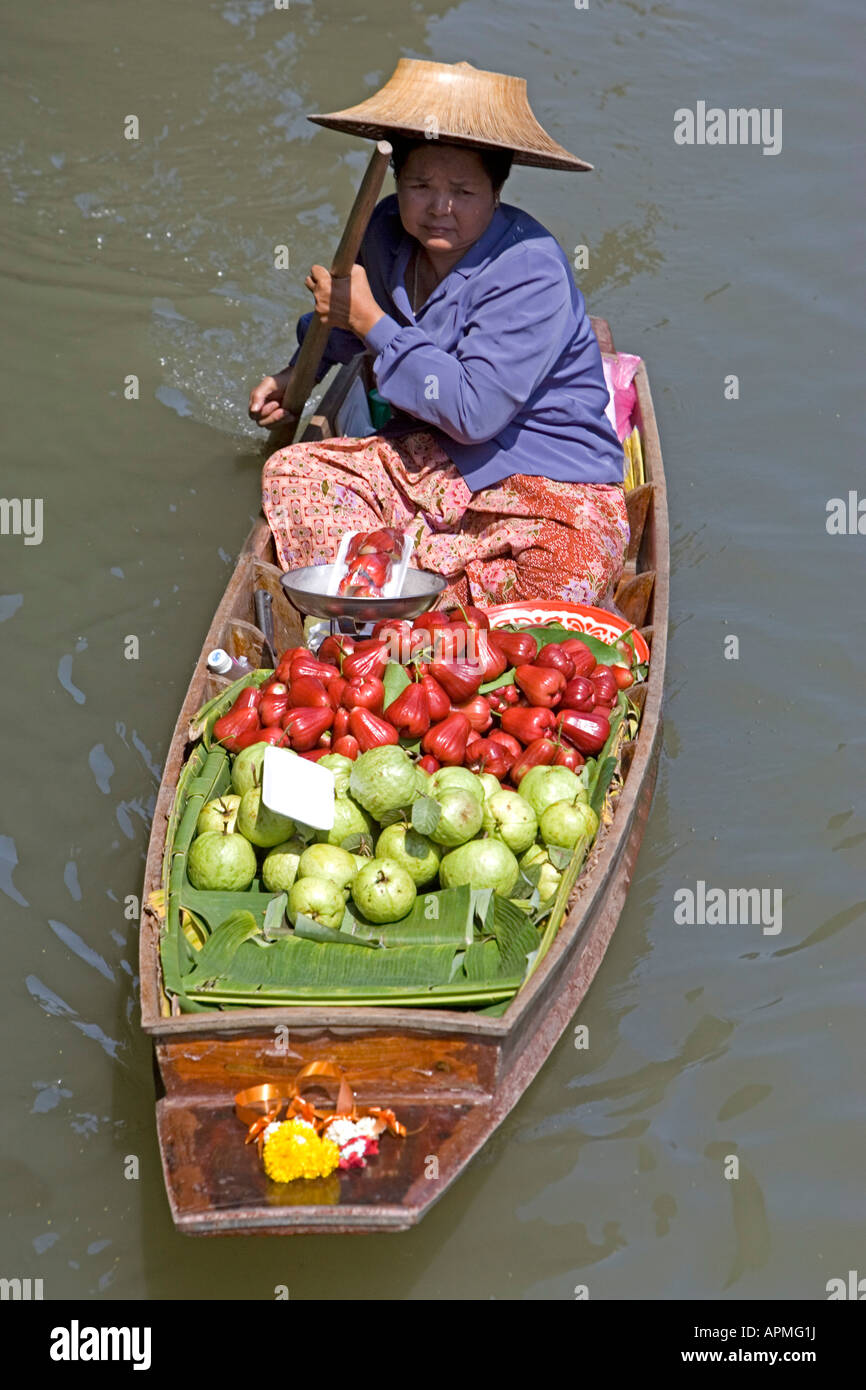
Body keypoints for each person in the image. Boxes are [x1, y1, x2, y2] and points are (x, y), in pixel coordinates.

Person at [249, 68, 629, 610]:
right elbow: (344, 322)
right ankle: (428, 590)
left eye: (464, 191)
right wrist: (295, 374)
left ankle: (397, 591)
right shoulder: (384, 231)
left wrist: (371, 322)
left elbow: (474, 413)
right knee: (295, 471)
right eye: (420, 186)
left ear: (496, 193)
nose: (438, 208)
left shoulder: (529, 267)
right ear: (397, 180)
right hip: (432, 463)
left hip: (544, 477)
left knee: (567, 565)